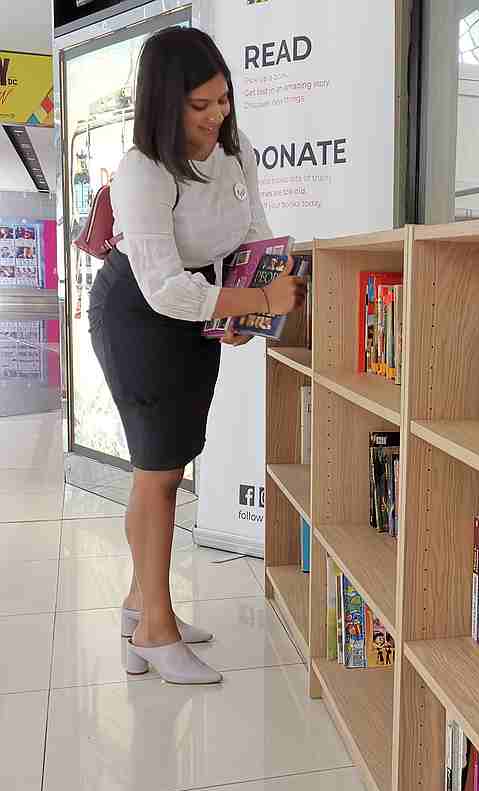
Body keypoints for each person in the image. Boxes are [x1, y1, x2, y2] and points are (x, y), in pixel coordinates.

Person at [88, 27, 306, 684]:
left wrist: (250, 307)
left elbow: (255, 235)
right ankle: (156, 628)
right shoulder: (141, 170)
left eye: (223, 100)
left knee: (164, 466)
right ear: (164, 103)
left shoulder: (236, 157)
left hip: (194, 311)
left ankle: (141, 607)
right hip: (137, 314)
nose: (217, 117)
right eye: (200, 106)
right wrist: (248, 299)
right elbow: (160, 287)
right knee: (158, 474)